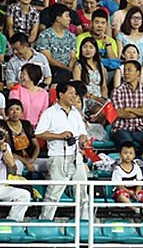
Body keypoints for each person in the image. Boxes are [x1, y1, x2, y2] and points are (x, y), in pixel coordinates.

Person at [34, 80, 90, 220]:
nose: (74, 96)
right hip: (58, 156)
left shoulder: (76, 113)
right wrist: (59, 136)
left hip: (75, 156)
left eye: (75, 94)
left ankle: (85, 224)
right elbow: (39, 133)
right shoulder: (50, 113)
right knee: (54, 193)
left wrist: (83, 140)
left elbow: (82, 133)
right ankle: (45, 223)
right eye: (70, 93)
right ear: (61, 94)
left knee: (82, 193)